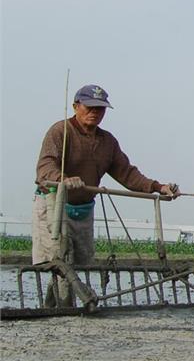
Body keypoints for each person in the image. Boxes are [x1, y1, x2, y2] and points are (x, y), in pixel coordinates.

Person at [33, 84, 179, 306]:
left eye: (100, 109)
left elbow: (127, 174)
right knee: (60, 260)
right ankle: (65, 307)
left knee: (79, 262)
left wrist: (158, 187)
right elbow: (45, 167)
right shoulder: (60, 131)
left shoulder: (107, 142)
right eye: (90, 107)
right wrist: (63, 179)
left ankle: (53, 307)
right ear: (75, 106)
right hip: (54, 204)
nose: (95, 113)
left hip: (83, 209)